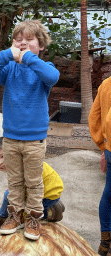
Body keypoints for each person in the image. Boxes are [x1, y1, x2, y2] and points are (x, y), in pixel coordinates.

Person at [0, 19, 60, 240]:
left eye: (29, 39)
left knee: (34, 182)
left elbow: (53, 78)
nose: (22, 43)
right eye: (18, 40)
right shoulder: (9, 69)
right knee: (14, 181)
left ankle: (34, 218)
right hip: (10, 137)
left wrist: (28, 58)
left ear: (41, 45)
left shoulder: (45, 69)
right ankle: (15, 216)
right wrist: (8, 54)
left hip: (34, 139)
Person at [0, 137, 65, 232]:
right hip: (42, 193)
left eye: (2, 156)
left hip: (48, 195)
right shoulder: (15, 166)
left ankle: (51, 212)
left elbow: (29, 193)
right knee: (10, 195)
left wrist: (22, 213)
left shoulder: (27, 166)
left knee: (25, 214)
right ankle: (2, 216)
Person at [88, 76, 111, 256]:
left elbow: (94, 116)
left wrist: (103, 146)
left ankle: (105, 243)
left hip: (110, 149)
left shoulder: (106, 84)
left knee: (109, 195)